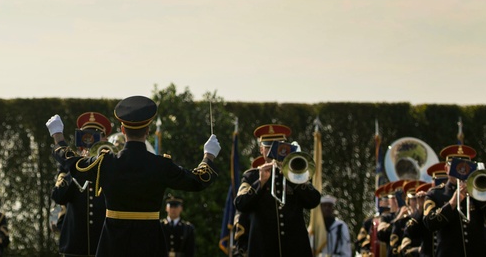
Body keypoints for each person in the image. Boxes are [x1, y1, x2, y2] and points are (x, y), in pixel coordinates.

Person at [47, 95, 220, 257]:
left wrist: (58, 136)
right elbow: (198, 180)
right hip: (150, 243)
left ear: (122, 129)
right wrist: (208, 156)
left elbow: (71, 162)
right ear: (148, 130)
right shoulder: (161, 165)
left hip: (113, 244)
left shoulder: (105, 163)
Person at [235, 124, 320, 257]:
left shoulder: (295, 174)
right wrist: (260, 182)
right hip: (263, 250)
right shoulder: (251, 176)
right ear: (261, 150)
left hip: (295, 250)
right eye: (269, 147)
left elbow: (314, 201)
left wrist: (295, 178)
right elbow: (240, 203)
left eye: (278, 147)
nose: (273, 152)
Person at [422, 145, 486, 257]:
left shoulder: (478, 190)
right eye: (456, 166)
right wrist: (452, 203)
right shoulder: (435, 194)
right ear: (446, 169)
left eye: (465, 167)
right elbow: (429, 223)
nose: (461, 170)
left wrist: (479, 195)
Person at [53, 111, 111, 257]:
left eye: (96, 135)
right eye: (87, 135)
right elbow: (58, 196)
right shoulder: (69, 167)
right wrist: (78, 168)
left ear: (105, 139)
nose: (91, 141)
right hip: (74, 246)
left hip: (103, 245)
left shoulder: (111, 166)